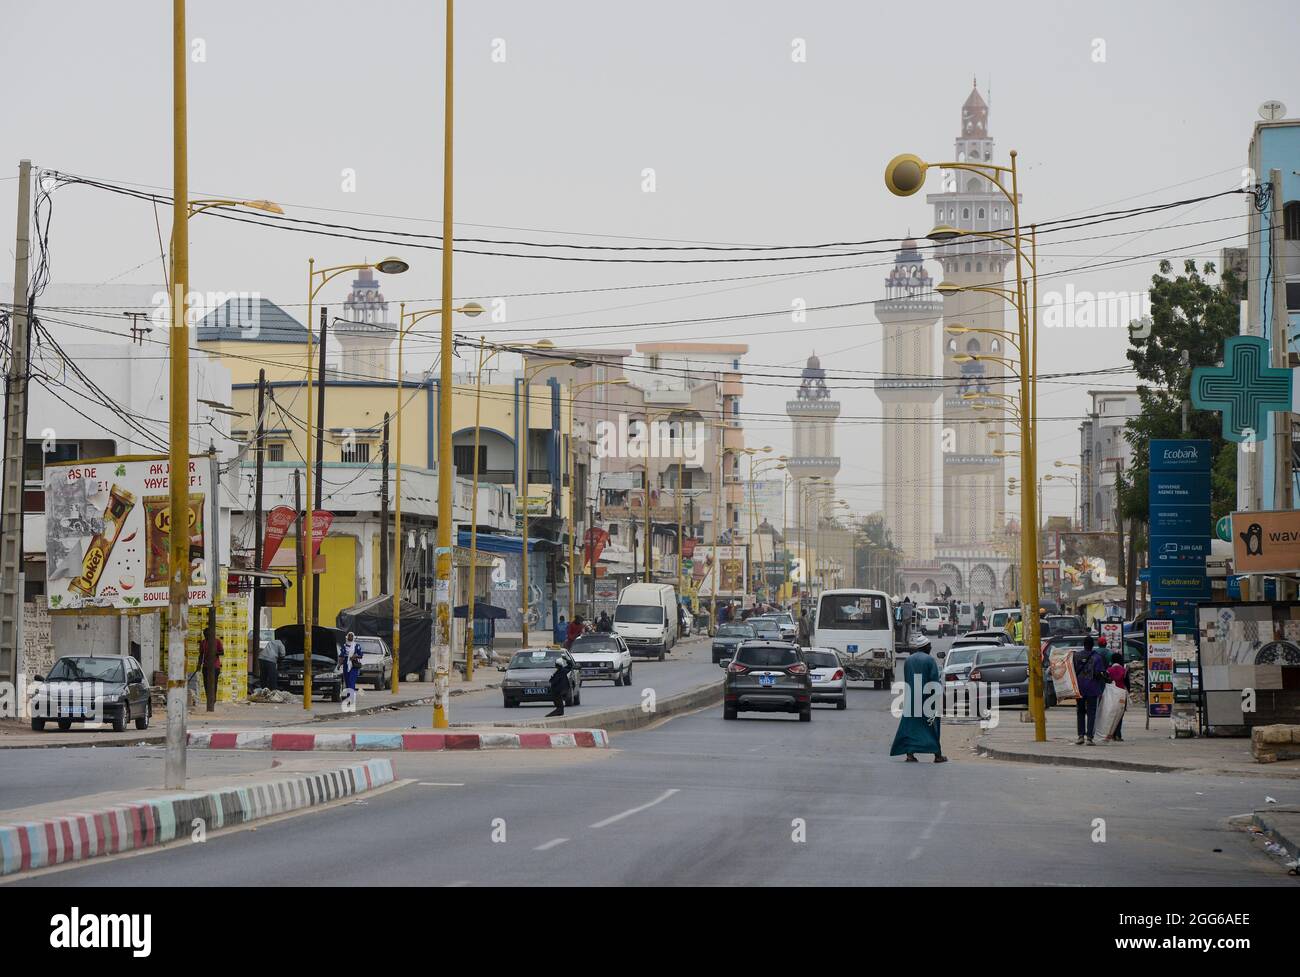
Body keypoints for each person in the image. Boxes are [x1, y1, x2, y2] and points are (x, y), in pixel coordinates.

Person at [890, 641, 947, 763]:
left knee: (910, 726)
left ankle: (910, 754)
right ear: (925, 647)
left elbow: (907, 679)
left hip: (912, 698)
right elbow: (934, 680)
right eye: (930, 646)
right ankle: (937, 755)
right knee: (932, 726)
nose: (931, 647)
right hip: (927, 699)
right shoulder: (930, 660)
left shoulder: (909, 660)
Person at [1073, 634, 1108, 745]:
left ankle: (1080, 736)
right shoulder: (1097, 657)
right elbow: (1099, 673)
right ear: (1093, 645)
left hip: (1079, 688)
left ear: (1083, 645)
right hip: (1092, 689)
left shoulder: (1076, 656)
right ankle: (1089, 738)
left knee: (1080, 712)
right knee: (1091, 713)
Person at [1105, 650, 1128, 742]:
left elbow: (1106, 682)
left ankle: (1110, 733)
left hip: (1111, 695)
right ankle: (1118, 734)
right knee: (1120, 714)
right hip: (1122, 695)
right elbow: (1127, 684)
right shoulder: (1124, 670)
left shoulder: (1108, 670)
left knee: (1111, 714)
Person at [341, 631, 363, 707]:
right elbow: (342, 656)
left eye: (351, 636)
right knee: (347, 682)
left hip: (353, 666)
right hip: (345, 666)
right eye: (349, 636)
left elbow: (361, 655)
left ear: (353, 637)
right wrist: (339, 665)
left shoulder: (356, 646)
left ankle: (351, 699)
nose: (350, 637)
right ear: (347, 637)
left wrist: (354, 656)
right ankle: (348, 697)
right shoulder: (344, 646)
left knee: (351, 682)